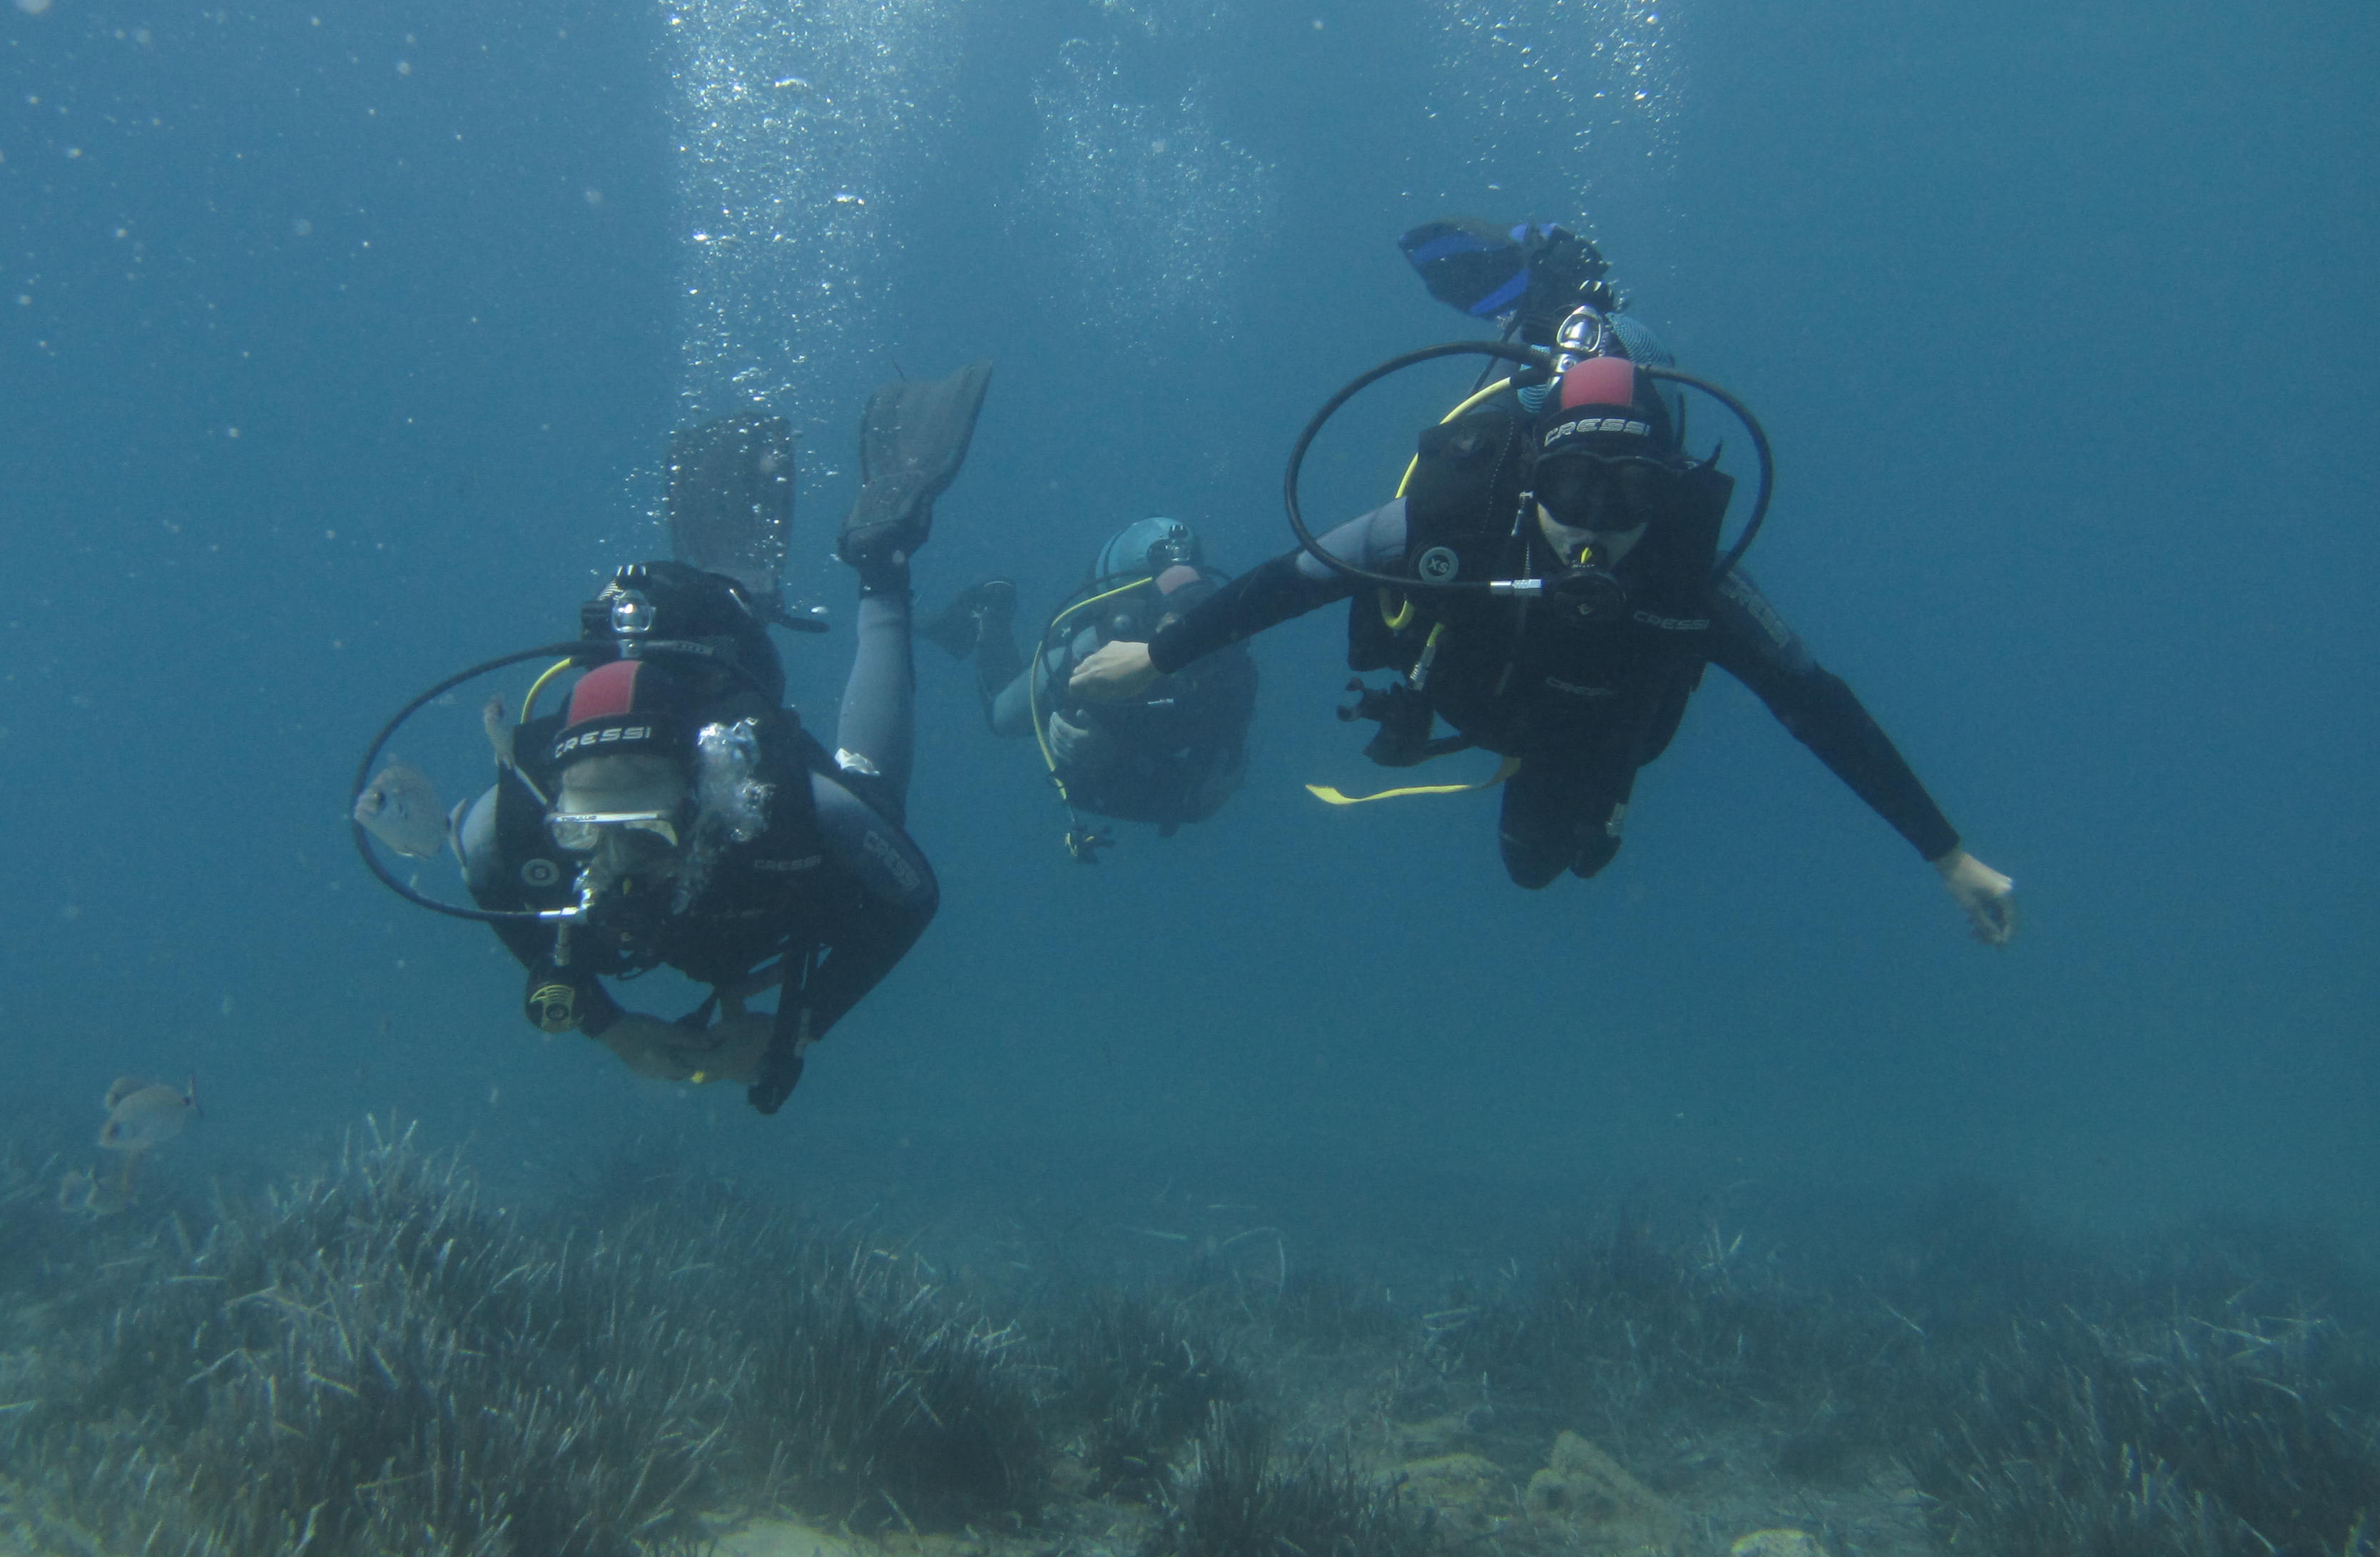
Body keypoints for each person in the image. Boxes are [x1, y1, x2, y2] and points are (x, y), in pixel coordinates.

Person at [1068, 223, 2018, 943]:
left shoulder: (1692, 578)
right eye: (1572, 487)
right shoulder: (1459, 514)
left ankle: (1573, 311)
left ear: (1669, 489)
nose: (1598, 522)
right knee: (1531, 868)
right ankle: (1556, 309)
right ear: (1532, 480)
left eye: (1632, 492)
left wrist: (1948, 854)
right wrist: (1156, 655)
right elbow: (1296, 578)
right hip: (1499, 693)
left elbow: (1816, 706)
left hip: (1589, 735)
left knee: (1544, 866)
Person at [449, 362, 992, 1111]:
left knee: (874, 801)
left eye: (644, 832)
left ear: (706, 796)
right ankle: (726, 595)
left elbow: (911, 897)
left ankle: (881, 563)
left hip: (741, 731)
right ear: (555, 807)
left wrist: (799, 1027)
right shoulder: (508, 823)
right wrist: (607, 1027)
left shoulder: (790, 805)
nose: (616, 866)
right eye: (582, 832)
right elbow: (484, 876)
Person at [925, 517, 1258, 859]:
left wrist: (1113, 761)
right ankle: (992, 609)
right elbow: (1080, 782)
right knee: (1002, 716)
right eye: (1178, 632)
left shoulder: (1233, 667)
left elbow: (1201, 795)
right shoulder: (1091, 656)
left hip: (1143, 735)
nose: (1190, 652)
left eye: (1200, 635)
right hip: (1094, 681)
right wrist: (1098, 759)